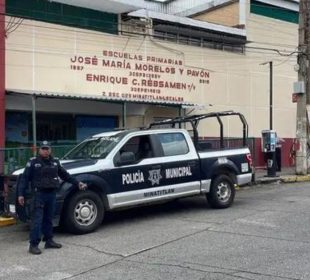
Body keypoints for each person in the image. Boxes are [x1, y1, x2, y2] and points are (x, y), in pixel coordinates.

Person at [17, 141, 87, 255]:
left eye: (47, 148)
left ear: (50, 150)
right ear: (39, 150)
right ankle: (33, 245)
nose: (45, 150)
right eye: (43, 148)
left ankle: (49, 241)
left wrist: (77, 183)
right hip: (38, 194)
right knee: (37, 220)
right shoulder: (33, 162)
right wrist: (20, 194)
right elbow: (24, 179)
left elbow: (65, 175)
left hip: (51, 194)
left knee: (49, 219)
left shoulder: (55, 162)